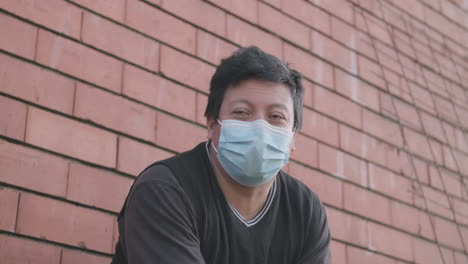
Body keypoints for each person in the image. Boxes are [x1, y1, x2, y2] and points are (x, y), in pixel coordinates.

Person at [111, 46, 331, 264]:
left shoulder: (305, 210)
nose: (259, 128)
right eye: (242, 112)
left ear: (293, 137)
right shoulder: (165, 189)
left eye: (276, 116)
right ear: (213, 125)